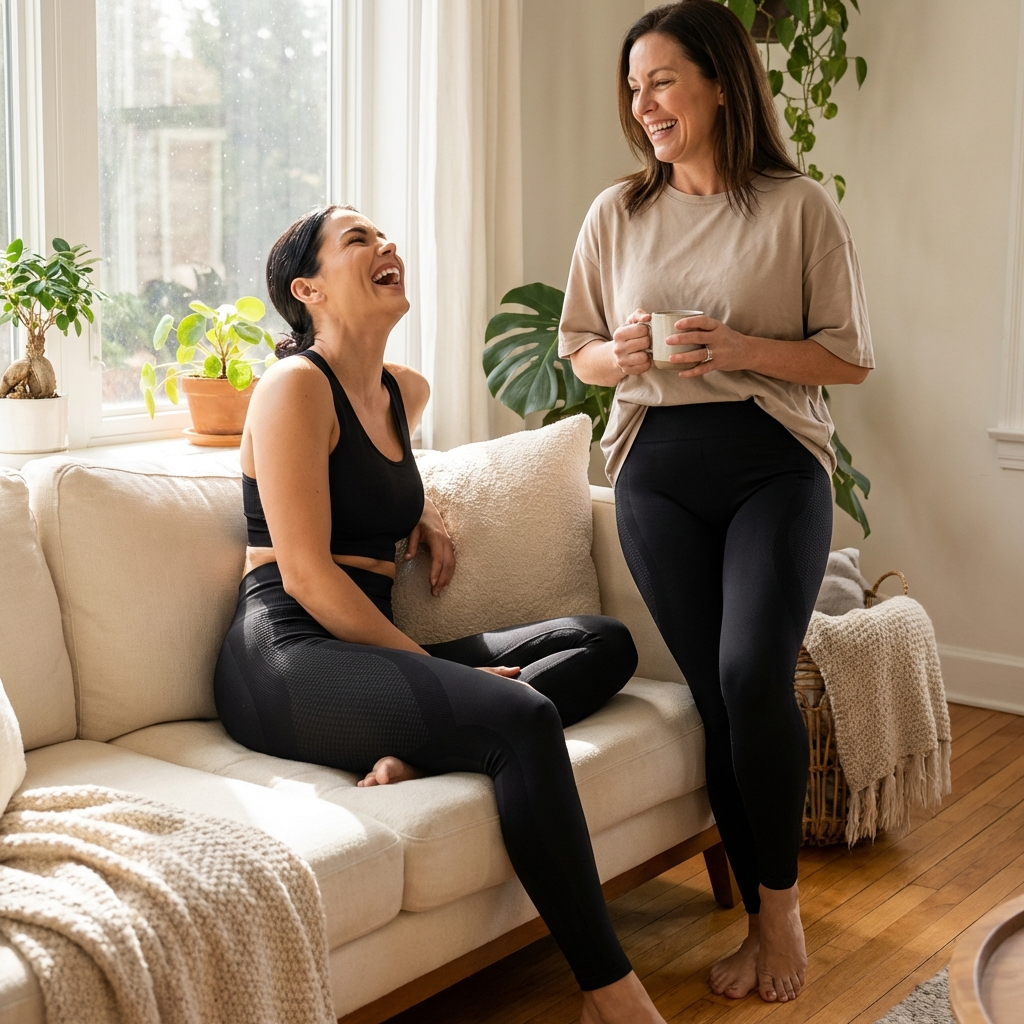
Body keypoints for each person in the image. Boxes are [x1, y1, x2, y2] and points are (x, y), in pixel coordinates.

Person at [214, 203, 670, 1023]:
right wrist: (427, 669)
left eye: (384, 234)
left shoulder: (403, 392)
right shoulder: (291, 388)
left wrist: (417, 513)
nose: (386, 244)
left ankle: (421, 755)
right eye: (358, 240)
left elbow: (372, 485)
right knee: (521, 715)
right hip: (284, 656)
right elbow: (312, 577)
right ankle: (612, 992)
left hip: (364, 653)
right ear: (308, 289)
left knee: (601, 642)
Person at [561, 0, 873, 1006]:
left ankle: (781, 915)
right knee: (711, 694)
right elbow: (580, 350)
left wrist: (737, 350)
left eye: (660, 80)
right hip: (656, 466)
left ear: (718, 82)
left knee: (751, 678)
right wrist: (630, 350)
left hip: (772, 461)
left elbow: (848, 358)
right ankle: (754, 913)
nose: (641, 102)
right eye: (633, 86)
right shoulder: (617, 214)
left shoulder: (797, 207)